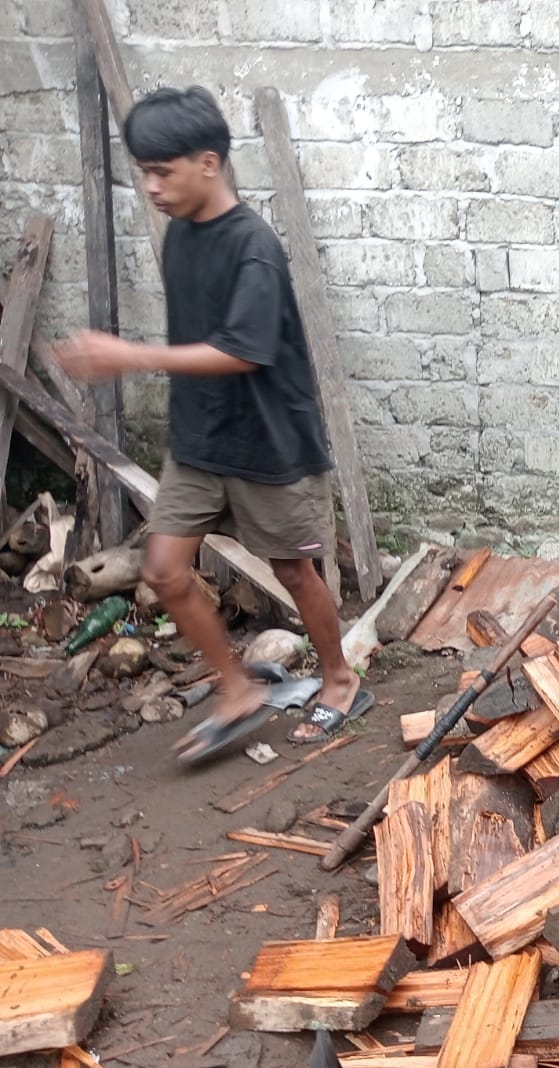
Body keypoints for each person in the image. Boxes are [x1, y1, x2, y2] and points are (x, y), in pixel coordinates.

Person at [56, 85, 371, 763]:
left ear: (207, 162)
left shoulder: (253, 247)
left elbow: (241, 350)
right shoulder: (181, 240)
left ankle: (340, 678)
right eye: (143, 171)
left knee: (294, 571)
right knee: (166, 571)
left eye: (161, 171)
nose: (151, 186)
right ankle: (237, 689)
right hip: (199, 439)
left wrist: (127, 356)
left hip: (270, 442)